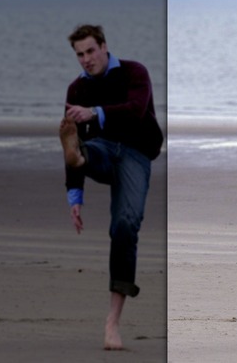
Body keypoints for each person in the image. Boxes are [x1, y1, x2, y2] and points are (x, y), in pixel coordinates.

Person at [58, 24, 163, 350]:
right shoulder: (76, 90)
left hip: (135, 154)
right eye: (80, 55)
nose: (86, 59)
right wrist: (75, 194)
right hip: (100, 150)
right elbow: (70, 141)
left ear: (104, 46)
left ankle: (112, 322)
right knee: (81, 152)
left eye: (90, 51)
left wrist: (95, 113)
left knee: (125, 225)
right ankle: (81, 159)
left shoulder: (134, 72)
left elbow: (135, 111)